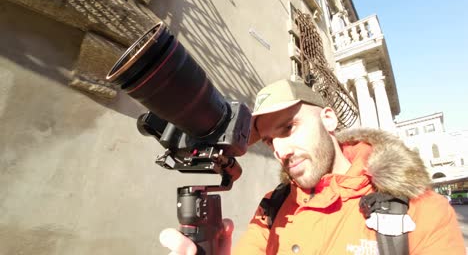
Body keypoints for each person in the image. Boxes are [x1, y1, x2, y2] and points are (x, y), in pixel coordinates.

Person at [160, 79, 465, 254]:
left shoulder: (420, 210)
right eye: (268, 141)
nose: (280, 149)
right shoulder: (271, 208)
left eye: (289, 128)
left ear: (328, 119)